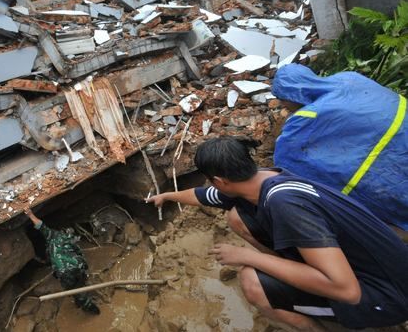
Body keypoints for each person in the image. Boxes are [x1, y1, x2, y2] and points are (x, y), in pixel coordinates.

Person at [147, 137, 408, 331]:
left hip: (387, 298)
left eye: (211, 181)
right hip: (383, 272)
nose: (210, 187)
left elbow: (347, 290)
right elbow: (202, 195)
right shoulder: (267, 178)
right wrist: (167, 196)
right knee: (239, 217)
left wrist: (248, 257)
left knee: (252, 280)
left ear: (220, 180)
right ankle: (302, 277)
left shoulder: (286, 205)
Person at [272, 64, 407, 231]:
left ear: (294, 93)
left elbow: (286, 158)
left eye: (282, 98)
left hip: (392, 154)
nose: (281, 104)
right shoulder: (349, 78)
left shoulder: (308, 115)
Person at [24, 208, 100, 314]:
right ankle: (85, 299)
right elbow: (80, 255)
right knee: (80, 283)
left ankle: (87, 306)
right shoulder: (70, 240)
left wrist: (30, 214)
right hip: (77, 266)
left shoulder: (53, 235)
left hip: (64, 272)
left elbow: (40, 226)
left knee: (75, 290)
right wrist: (84, 267)